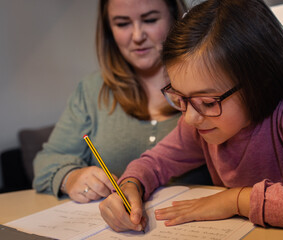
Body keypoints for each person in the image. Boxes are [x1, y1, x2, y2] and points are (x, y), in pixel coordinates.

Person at [98, 0, 283, 236]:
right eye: (179, 97)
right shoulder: (200, 124)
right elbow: (154, 163)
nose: (189, 118)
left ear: (260, 82)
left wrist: (236, 201)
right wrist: (132, 185)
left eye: (208, 102)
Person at [33, 0, 212, 203]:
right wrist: (71, 177)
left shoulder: (211, 80)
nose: (137, 36)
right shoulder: (92, 90)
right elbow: (47, 161)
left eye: (150, 20)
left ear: (176, 18)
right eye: (122, 24)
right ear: (109, 30)